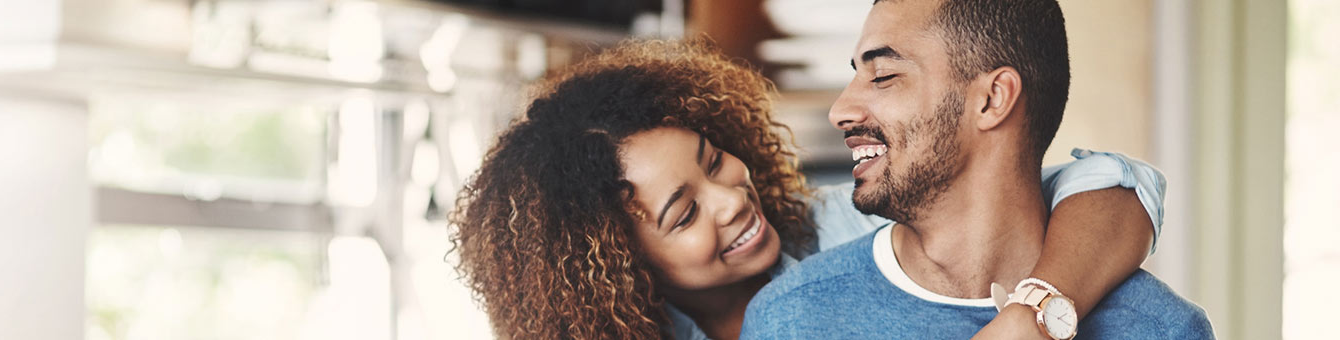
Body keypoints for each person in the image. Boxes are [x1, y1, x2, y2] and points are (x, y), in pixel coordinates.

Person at [448, 39, 1163, 340]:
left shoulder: (853, 230)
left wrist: (1034, 314)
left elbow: (1114, 182)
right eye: (684, 211)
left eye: (713, 159)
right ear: (621, 268)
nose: (731, 197)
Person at [739, 0, 1211, 339]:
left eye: (883, 76)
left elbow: (1122, 180)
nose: (840, 109)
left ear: (992, 99)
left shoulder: (1161, 329)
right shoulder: (791, 319)